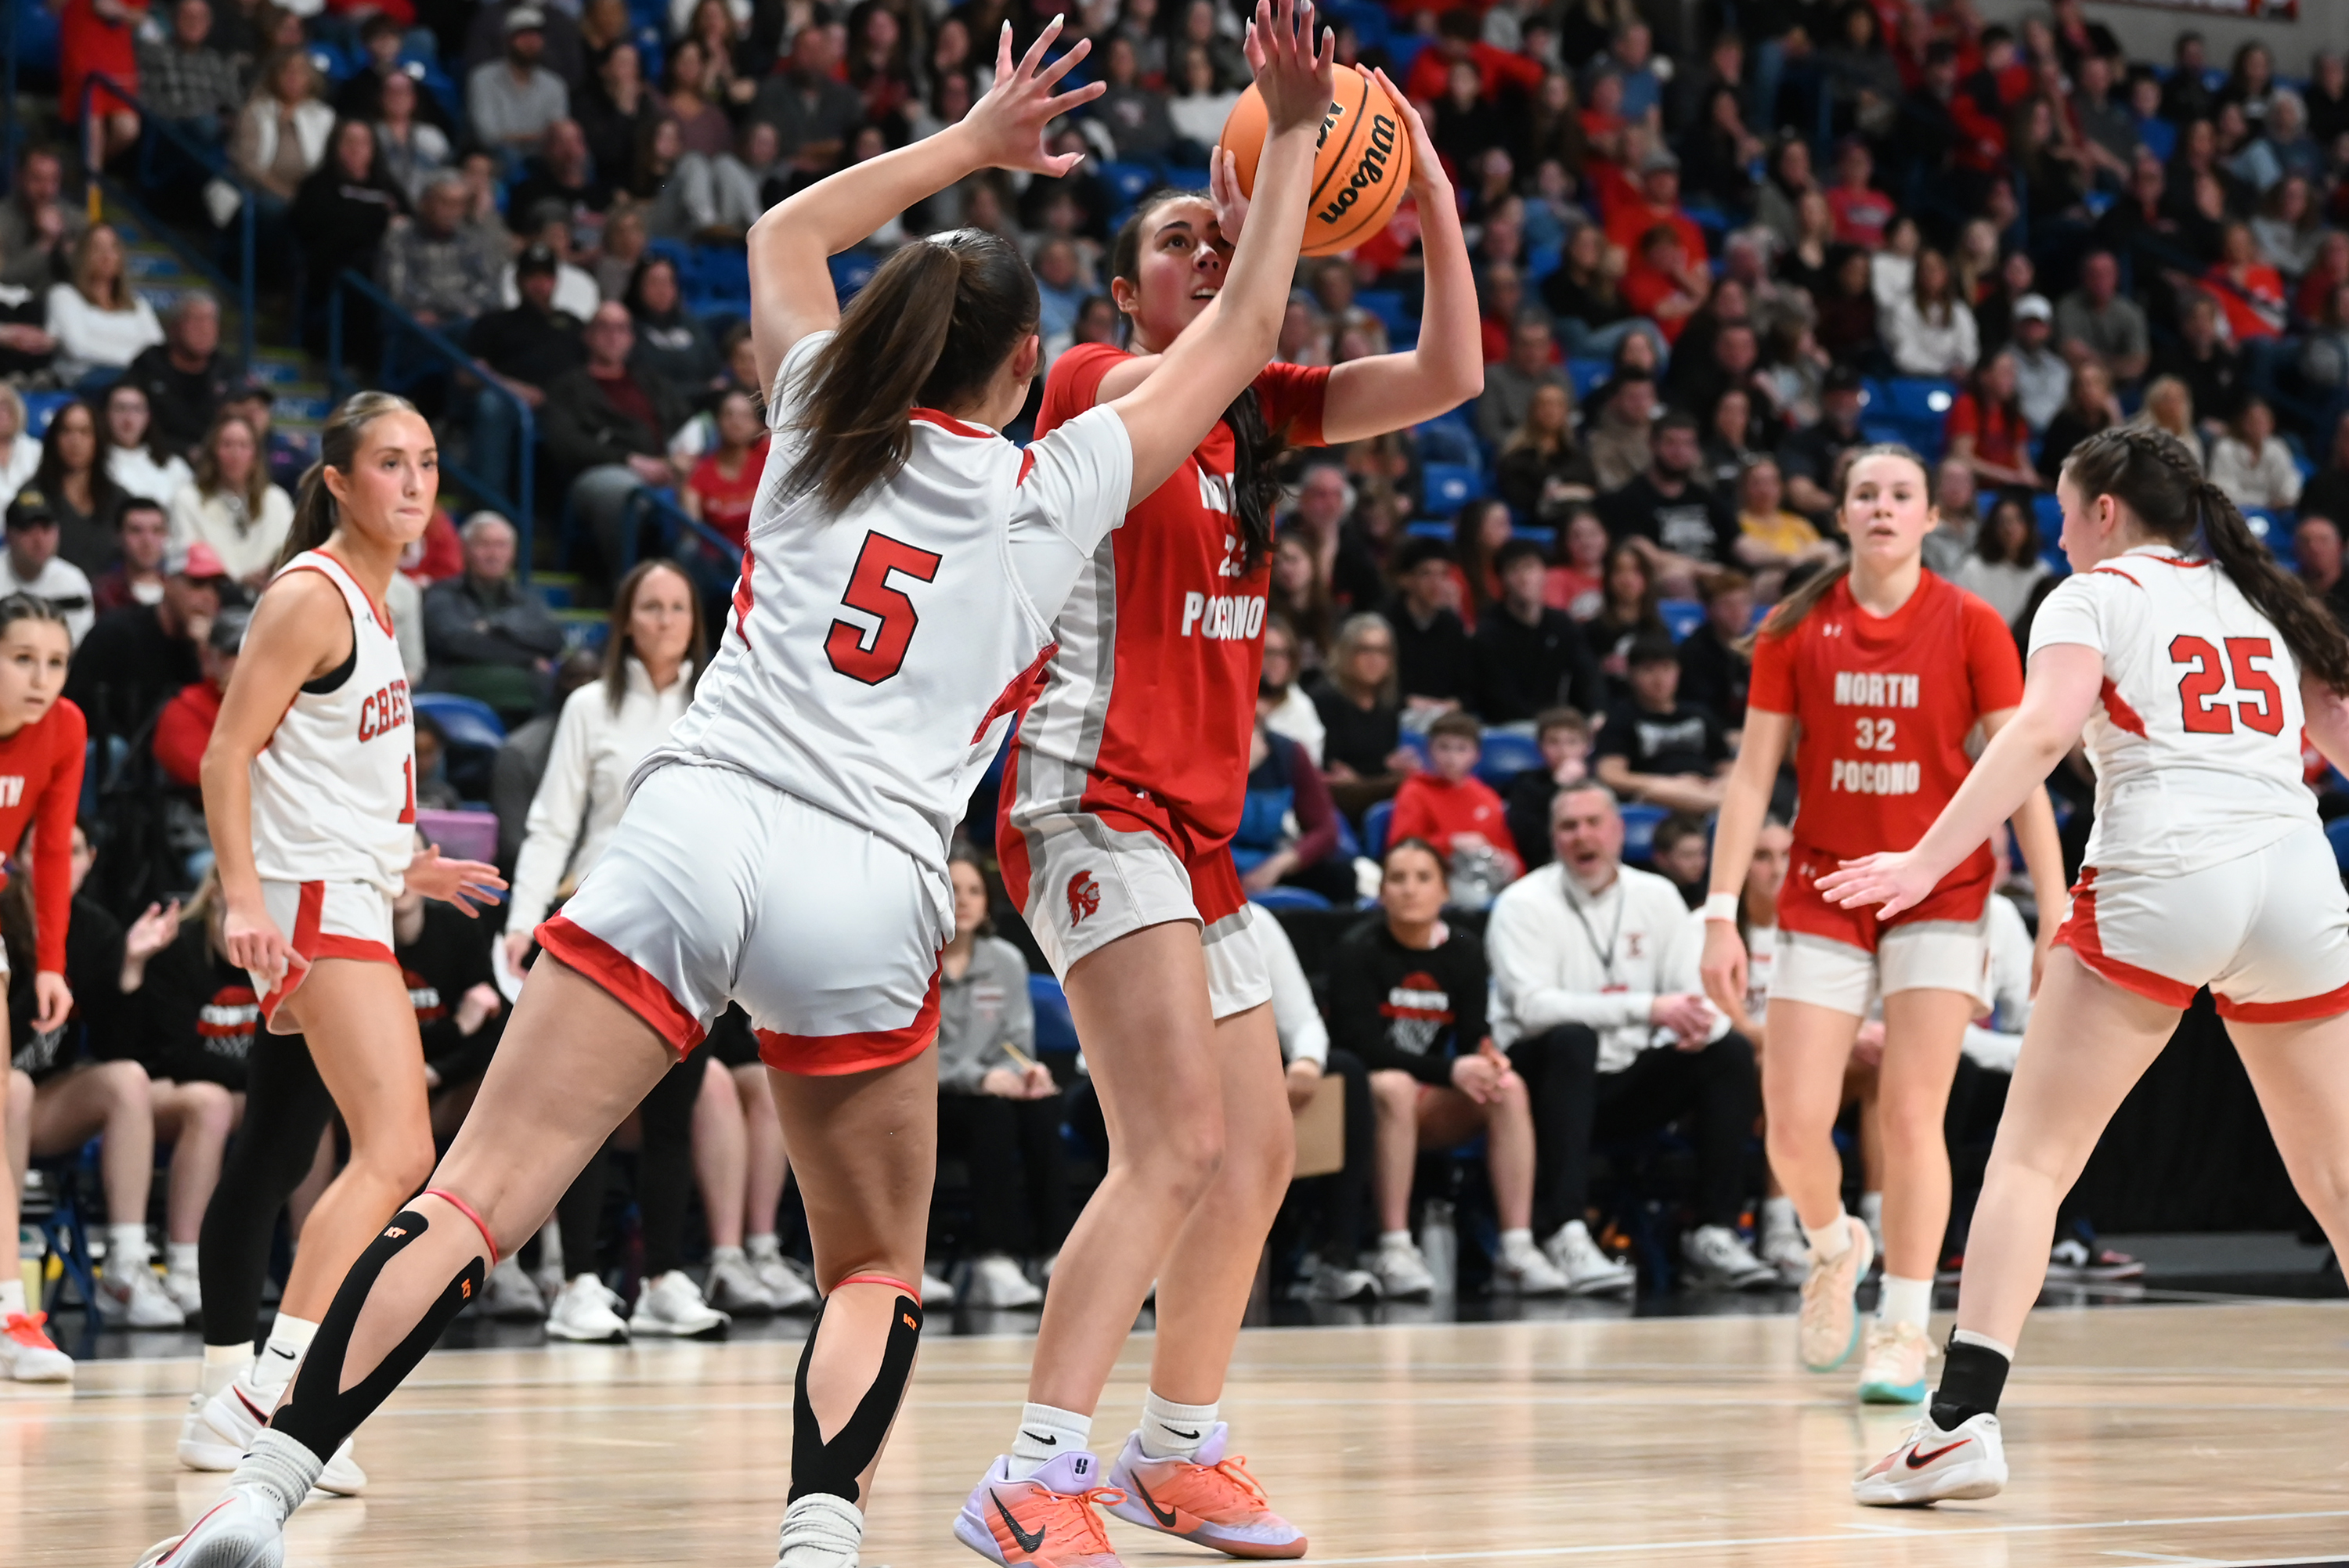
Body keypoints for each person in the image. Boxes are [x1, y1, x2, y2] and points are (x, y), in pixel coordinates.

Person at [147, 17, 1329, 1568]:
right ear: (1028, 370)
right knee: (867, 1268)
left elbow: (784, 228)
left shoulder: (818, 404)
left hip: (699, 825)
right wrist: (1297, 133)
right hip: (870, 881)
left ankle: (264, 1487)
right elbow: (1240, 335)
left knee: (470, 1195)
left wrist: (974, 140)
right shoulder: (1058, 480)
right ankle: (820, 1532)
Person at [987, 37, 1482, 1559]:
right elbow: (1245, 314)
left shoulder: (1265, 412)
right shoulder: (1094, 385)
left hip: (1192, 835)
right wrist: (1279, 183)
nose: (1205, 252)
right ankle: (1033, 1467)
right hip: (1087, 797)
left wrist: (1427, 188)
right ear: (1128, 288)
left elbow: (1454, 372)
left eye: (1221, 232)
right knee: (1174, 1146)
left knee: (1263, 1146)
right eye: (1177, 237)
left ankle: (1175, 1444)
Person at [1841, 427, 2349, 1505]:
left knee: (2032, 1160)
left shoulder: (2092, 594)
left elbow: (2038, 735)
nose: (2060, 531)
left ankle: (1958, 1423)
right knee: (2338, 1174)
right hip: (2298, 881)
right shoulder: (2257, 595)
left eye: (2067, 511)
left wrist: (1924, 858)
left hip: (2167, 870)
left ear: (2107, 511)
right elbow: (2340, 726)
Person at [166, 391, 506, 1504]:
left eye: (429, 463)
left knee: (322, 1146)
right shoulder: (311, 595)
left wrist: (412, 863)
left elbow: (327, 771)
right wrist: (243, 901)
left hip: (355, 891)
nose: (415, 483)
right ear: (339, 480)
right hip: (310, 908)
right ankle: (267, 1393)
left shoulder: (380, 595)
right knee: (399, 1151)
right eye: (391, 464)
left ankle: (268, 1395)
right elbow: (228, 757)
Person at [1697, 444, 2066, 1408]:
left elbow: (2019, 767)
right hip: (1824, 885)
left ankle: (1904, 1320)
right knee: (1790, 1124)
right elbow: (1750, 777)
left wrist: (2058, 901)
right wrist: (1718, 910)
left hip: (1940, 889)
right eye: (1866, 492)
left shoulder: (1974, 622)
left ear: (1929, 517)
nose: (1883, 507)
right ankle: (1832, 1246)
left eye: (1902, 494)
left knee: (1911, 1112)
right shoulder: (1796, 624)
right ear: (1844, 512)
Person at [503, 559, 746, 1336]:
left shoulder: (725, 702)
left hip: (693, 926)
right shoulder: (588, 706)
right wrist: (520, 920)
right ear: (627, 619)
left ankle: (666, 1278)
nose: (668, 618)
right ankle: (577, 1281)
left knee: (675, 1113)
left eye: (679, 605)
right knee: (590, 1108)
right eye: (652, 605)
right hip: (603, 916)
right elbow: (551, 820)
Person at [1487, 782, 1777, 1292]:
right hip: (1543, 1086)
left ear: (1619, 831)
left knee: (1726, 1049)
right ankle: (1565, 1231)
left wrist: (1697, 1024)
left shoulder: (1656, 895)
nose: (1583, 836)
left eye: (1594, 822)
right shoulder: (1522, 902)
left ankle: (1713, 1230)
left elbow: (1691, 992)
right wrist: (1648, 1008)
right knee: (1571, 1038)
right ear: (1553, 838)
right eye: (1569, 826)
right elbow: (1533, 1009)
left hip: (1629, 1081)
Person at [1334, 837, 1571, 1299]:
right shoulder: (1356, 950)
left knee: (1509, 1086)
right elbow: (1362, 1048)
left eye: (1423, 878)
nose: (1409, 889)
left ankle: (1516, 1248)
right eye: (1397, 879)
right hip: (1368, 1107)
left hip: (1435, 1101)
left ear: (1445, 891)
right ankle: (1395, 1245)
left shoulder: (1463, 949)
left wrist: (1486, 1057)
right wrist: (1452, 1072)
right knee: (1395, 1086)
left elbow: (1472, 1034)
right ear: (1381, 893)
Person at [0, 595, 87, 1382]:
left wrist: (50, 962)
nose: (41, 677)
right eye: (22, 657)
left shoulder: (64, 728)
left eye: (55, 661)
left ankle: (9, 1313)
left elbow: (51, 852)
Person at [936, 849, 1066, 1308]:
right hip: (932, 1099)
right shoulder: (916, 964)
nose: (964, 901)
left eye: (975, 891)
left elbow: (1016, 1042)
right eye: (953, 891)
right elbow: (910, 1059)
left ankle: (1056, 1252)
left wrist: (1023, 1074)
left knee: (1042, 1106)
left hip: (991, 1091)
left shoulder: (1006, 960)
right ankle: (995, 1258)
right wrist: (979, 1079)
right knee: (991, 1114)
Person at [540, 301, 692, 577]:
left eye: (621, 328)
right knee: (626, 494)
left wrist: (682, 457)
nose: (613, 336)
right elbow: (567, 445)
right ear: (588, 336)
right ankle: (626, 586)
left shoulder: (650, 382)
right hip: (602, 472)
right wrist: (629, 460)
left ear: (631, 338)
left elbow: (685, 422)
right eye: (604, 327)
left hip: (665, 468)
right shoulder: (568, 387)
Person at [420, 512, 566, 724]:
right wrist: (528, 656)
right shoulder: (442, 594)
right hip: (458, 700)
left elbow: (553, 640)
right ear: (465, 549)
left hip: (528, 705)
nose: (493, 554)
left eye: (501, 546)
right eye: (484, 545)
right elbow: (454, 642)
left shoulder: (526, 599)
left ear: (513, 552)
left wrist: (494, 628)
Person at [1593, 633, 1732, 814]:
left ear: (1679, 671)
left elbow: (1727, 764)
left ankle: (1717, 803)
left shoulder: (1699, 714)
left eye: (1667, 669)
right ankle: (1720, 805)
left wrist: (1720, 783)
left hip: (1707, 786)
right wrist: (1669, 784)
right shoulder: (1622, 717)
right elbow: (1610, 774)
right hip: (1659, 795)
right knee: (1658, 793)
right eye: (1649, 670)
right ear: (1631, 674)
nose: (1659, 679)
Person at [1602, 410, 1741, 590]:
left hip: (1717, 583)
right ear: (1653, 444)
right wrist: (1706, 570)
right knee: (1677, 580)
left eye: (1687, 444)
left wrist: (1786, 558)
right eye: (1671, 443)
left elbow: (1740, 543)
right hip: (1667, 579)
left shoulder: (1704, 496)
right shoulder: (1629, 498)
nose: (1680, 452)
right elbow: (1650, 555)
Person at [1474, 538, 1603, 723]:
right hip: (1511, 726)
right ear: (1502, 579)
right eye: (1514, 570)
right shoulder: (1489, 631)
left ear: (1545, 574)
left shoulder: (1562, 624)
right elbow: (1497, 696)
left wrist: (1597, 711)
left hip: (1560, 728)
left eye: (1530, 568)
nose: (1524, 578)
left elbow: (1587, 673)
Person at [1387, 710, 1521, 885]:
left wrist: (1510, 863)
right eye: (1444, 747)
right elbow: (1402, 848)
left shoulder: (1486, 796)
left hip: (1484, 876)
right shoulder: (1415, 791)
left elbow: (1506, 849)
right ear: (1429, 750)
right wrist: (1451, 842)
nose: (1452, 758)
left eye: (1461, 749)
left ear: (1477, 755)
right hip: (1435, 877)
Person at [170, 413, 295, 589]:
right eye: (227, 445)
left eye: (244, 445)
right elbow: (184, 557)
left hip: (269, 594)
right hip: (211, 594)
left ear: (256, 455)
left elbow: (290, 551)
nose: (235, 454)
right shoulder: (188, 499)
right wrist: (234, 582)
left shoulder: (277, 500)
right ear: (213, 452)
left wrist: (268, 572)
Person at [45, 225, 164, 384]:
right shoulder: (63, 295)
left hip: (137, 379)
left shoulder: (138, 304)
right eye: (97, 248)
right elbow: (78, 349)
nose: (106, 255)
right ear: (83, 255)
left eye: (112, 248)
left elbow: (156, 348)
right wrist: (136, 360)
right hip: (86, 380)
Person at [124, 292, 233, 460]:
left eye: (210, 320)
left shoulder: (227, 370)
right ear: (174, 327)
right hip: (157, 459)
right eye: (196, 320)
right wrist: (184, 451)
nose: (204, 328)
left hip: (216, 462)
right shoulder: (149, 364)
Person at [467, 7, 572, 162]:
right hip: (497, 157)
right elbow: (487, 136)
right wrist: (537, 137)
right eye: (523, 35)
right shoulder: (483, 78)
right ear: (508, 40)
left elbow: (558, 134)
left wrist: (515, 137)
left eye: (536, 35)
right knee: (509, 156)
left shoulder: (555, 84)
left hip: (544, 158)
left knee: (576, 156)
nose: (531, 42)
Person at [0, 489, 96, 647]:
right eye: (28, 530)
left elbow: (80, 646)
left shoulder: (72, 581)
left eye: (46, 529)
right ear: (9, 535)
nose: (39, 540)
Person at [99, 382, 194, 522]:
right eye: (120, 409)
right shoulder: (98, 463)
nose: (128, 417)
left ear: (148, 416)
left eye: (137, 409)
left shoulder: (173, 466)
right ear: (106, 415)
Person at [1958, 496, 2051, 629]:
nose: (2010, 529)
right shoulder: (1972, 569)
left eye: (2018, 521)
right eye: (2003, 521)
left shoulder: (2042, 573)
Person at [2206, 395, 2303, 512]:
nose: (2258, 426)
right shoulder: (2225, 448)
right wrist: (2266, 503)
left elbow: (2289, 488)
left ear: (2271, 424)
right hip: (2231, 512)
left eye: (2263, 421)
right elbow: (2223, 492)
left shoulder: (2277, 448)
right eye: (2253, 421)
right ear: (2243, 423)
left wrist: (2281, 501)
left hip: (2271, 514)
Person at [93, 495, 171, 613]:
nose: (147, 541)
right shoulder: (103, 595)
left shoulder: (180, 592)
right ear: (118, 536)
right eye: (136, 530)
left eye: (156, 531)